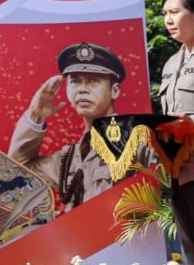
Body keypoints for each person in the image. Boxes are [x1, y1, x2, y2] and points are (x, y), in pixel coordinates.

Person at [8, 42, 139, 209]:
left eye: (93, 81)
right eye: (75, 81)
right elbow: (16, 170)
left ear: (115, 91)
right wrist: (35, 114)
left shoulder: (138, 142)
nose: (82, 89)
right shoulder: (69, 159)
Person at [160, 0, 194, 265]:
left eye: (175, 12)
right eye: (165, 14)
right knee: (190, 246)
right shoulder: (171, 64)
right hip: (179, 172)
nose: (169, 20)